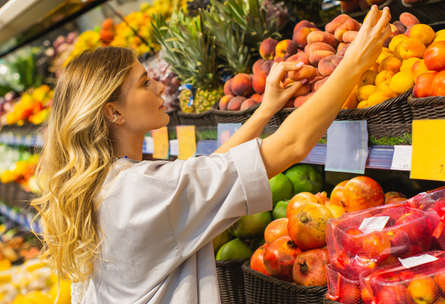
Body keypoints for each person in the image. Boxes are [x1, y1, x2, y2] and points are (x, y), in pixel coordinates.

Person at [32, 6, 391, 304]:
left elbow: (209, 172)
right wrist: (352, 65)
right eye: (144, 82)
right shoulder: (142, 191)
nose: (159, 85)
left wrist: (264, 111)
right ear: (114, 112)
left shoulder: (109, 185)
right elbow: (290, 147)